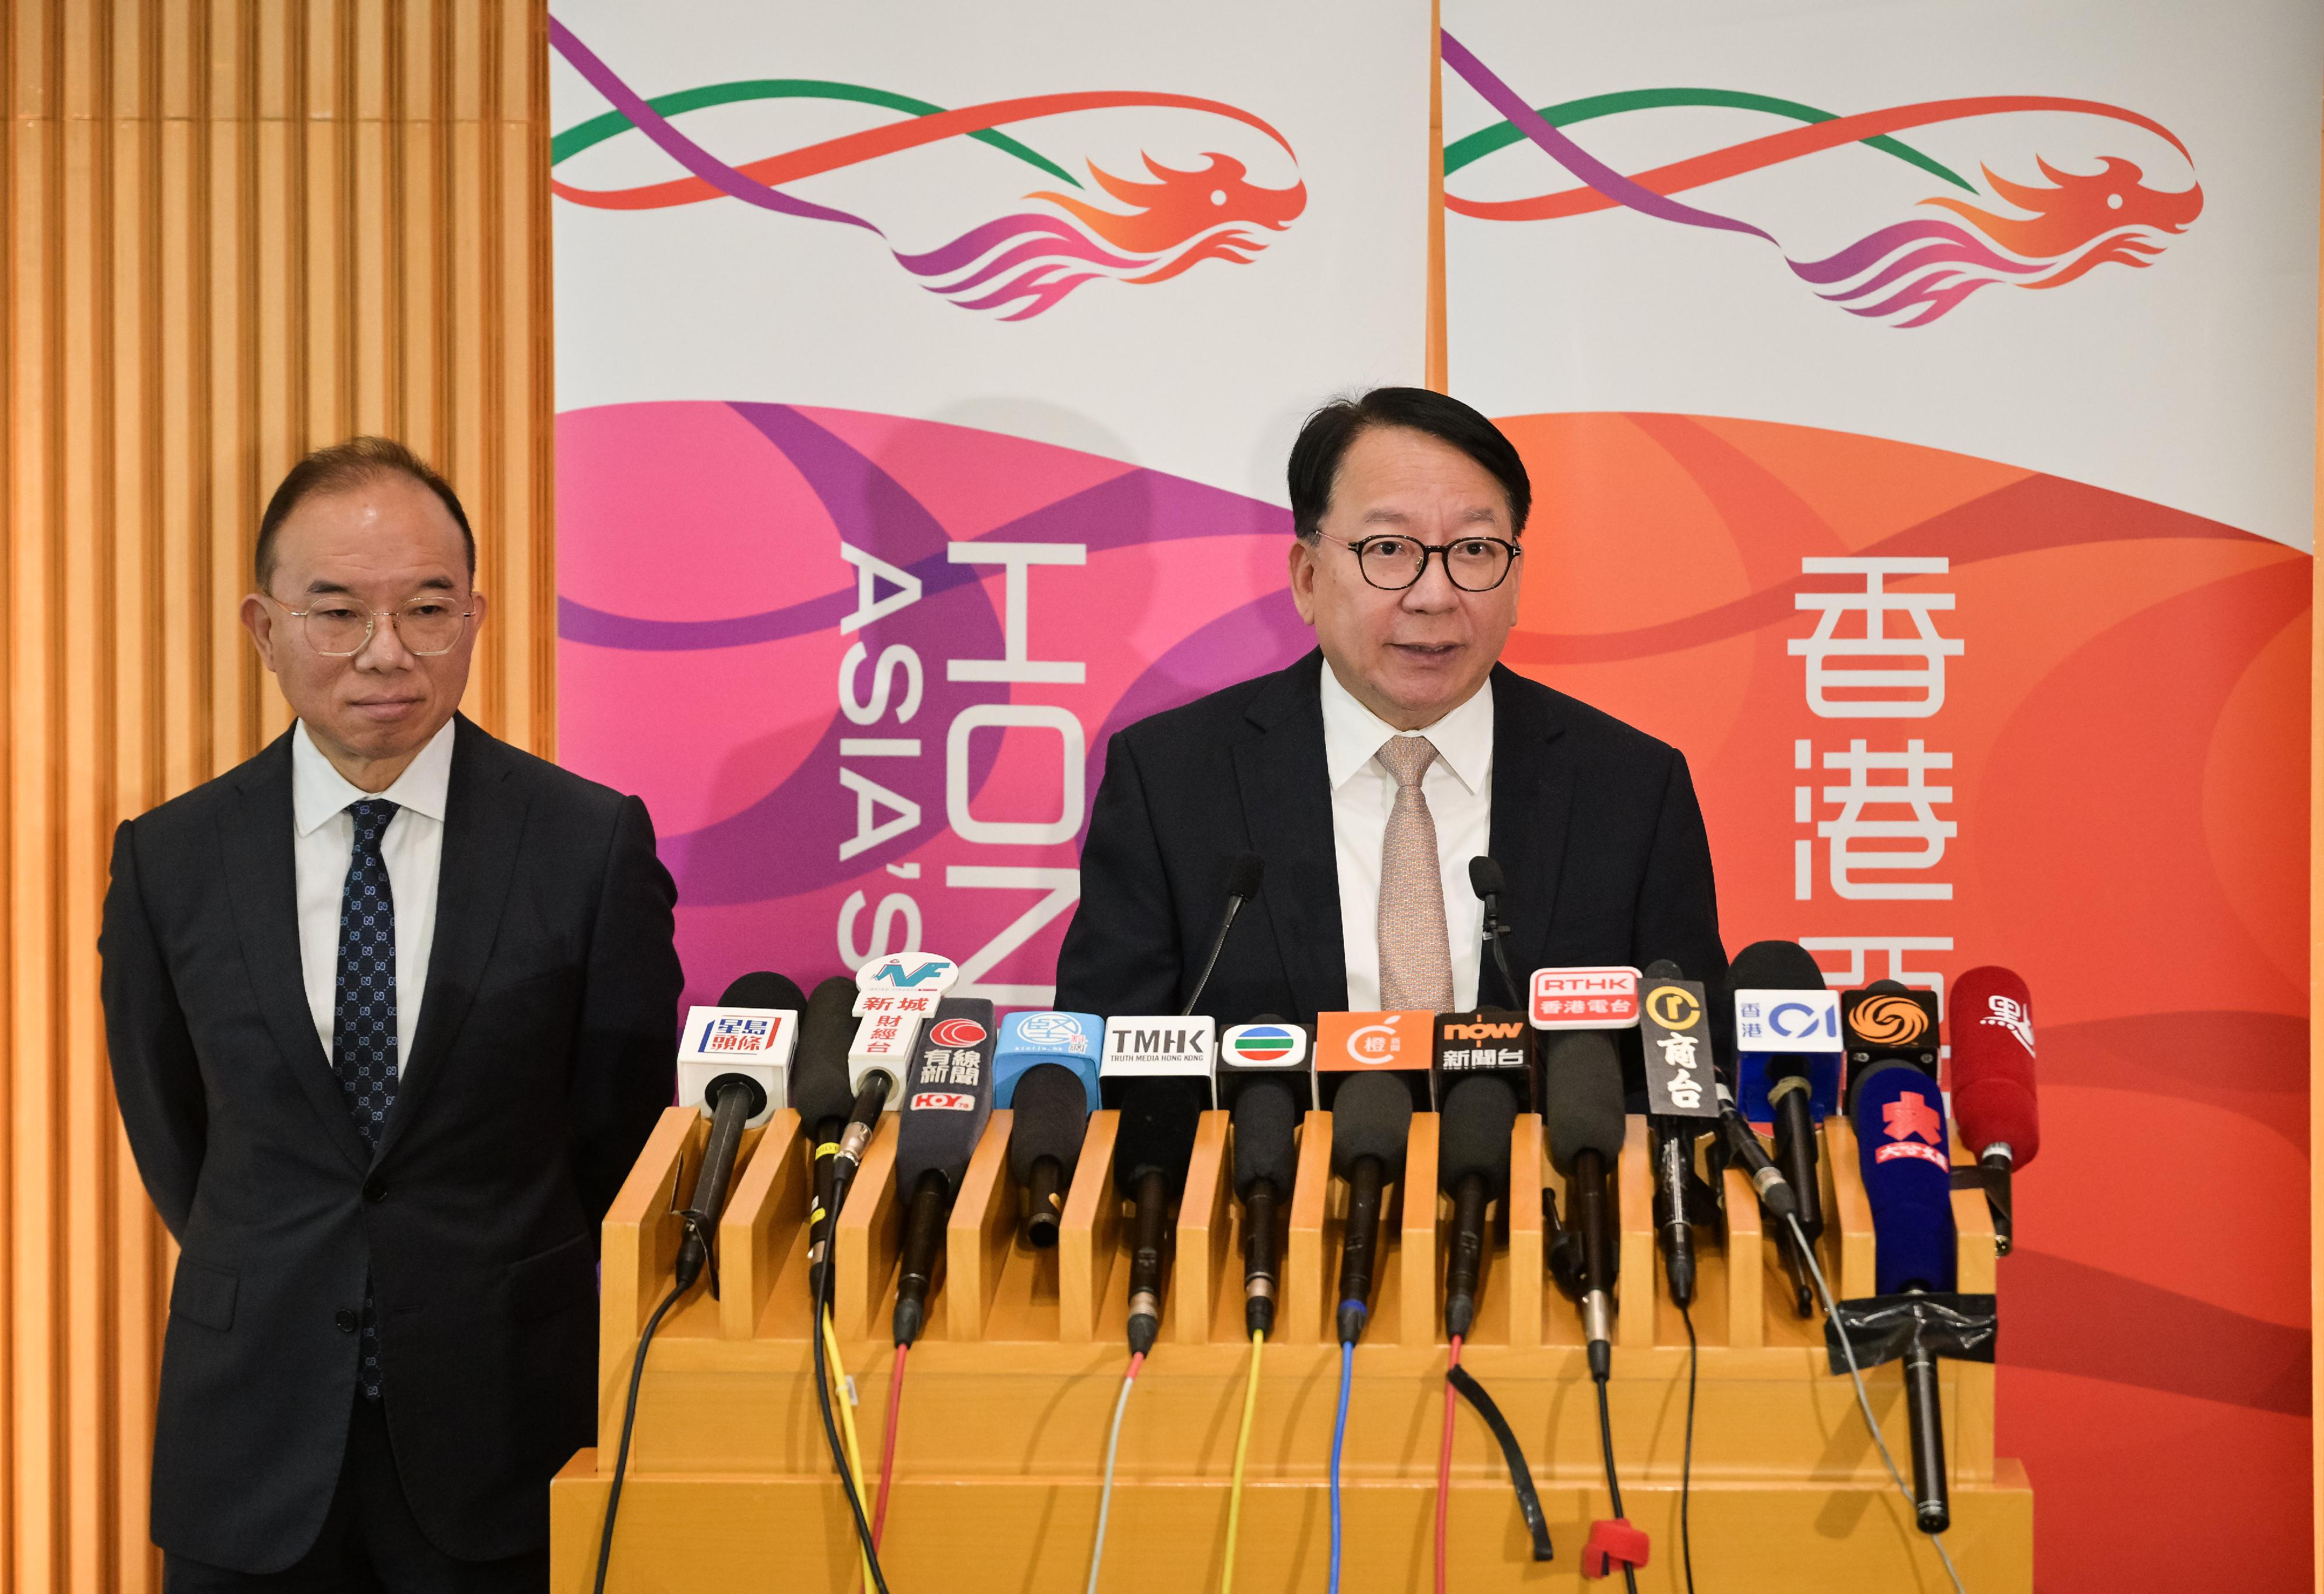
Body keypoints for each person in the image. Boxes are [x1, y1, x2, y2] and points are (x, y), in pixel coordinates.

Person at [101, 438, 683, 1590]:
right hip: (249, 1441)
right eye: (338, 612)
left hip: (501, 1434)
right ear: (264, 628)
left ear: (475, 616)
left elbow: (614, 1137)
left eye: (427, 608)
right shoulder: (173, 859)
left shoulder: (587, 845)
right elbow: (178, 1137)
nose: (387, 653)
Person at [1055, 388, 1727, 1085]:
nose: (1433, 594)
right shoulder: (1171, 782)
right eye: (1388, 548)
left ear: (1517, 579)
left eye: (1473, 549)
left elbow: (1692, 1073)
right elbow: (1097, 1073)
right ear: (1308, 577)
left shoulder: (1629, 789)